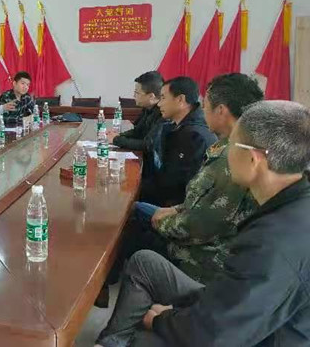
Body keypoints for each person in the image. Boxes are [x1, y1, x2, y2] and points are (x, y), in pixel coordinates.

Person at [95, 100, 310, 347]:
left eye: (230, 145)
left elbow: (215, 334)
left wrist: (161, 320)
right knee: (145, 263)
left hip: (245, 337)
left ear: (254, 160)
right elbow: (234, 297)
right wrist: (184, 312)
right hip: (230, 307)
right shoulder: (292, 204)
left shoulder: (274, 242)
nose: (225, 152)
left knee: (142, 338)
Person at [97, 73, 263, 308]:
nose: (202, 110)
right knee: (132, 213)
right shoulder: (231, 145)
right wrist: (175, 210)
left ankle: (105, 286)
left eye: (205, 104)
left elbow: (199, 225)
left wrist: (160, 219)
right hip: (190, 221)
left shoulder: (230, 155)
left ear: (221, 110)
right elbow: (203, 202)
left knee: (129, 221)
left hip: (204, 255)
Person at [140, 76, 216, 206]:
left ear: (180, 99)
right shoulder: (177, 125)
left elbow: (176, 186)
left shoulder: (194, 136)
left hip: (177, 208)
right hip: (166, 196)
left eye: (163, 98)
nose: (159, 104)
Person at [110, 71, 163, 150]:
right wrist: (118, 135)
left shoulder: (163, 113)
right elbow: (137, 132)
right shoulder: (147, 108)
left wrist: (116, 140)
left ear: (151, 96)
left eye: (137, 93)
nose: (134, 96)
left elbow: (148, 145)